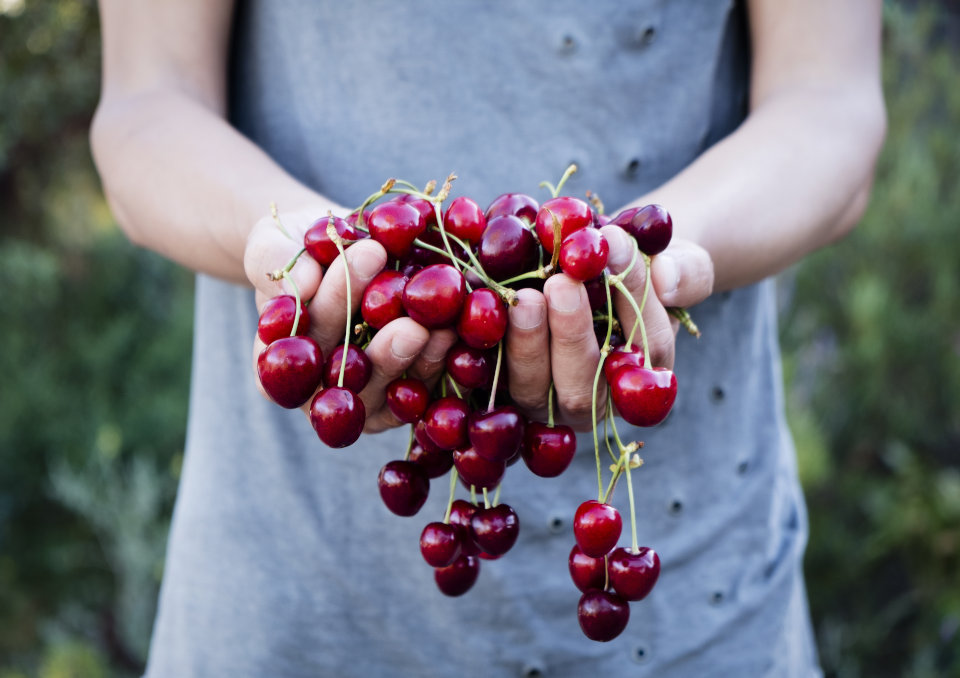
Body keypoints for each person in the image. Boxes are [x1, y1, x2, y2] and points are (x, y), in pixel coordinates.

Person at [91, 1, 885, 676]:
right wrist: (302, 246)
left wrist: (666, 260)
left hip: (699, 608)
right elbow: (148, 105)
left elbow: (828, 101)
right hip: (287, 603)